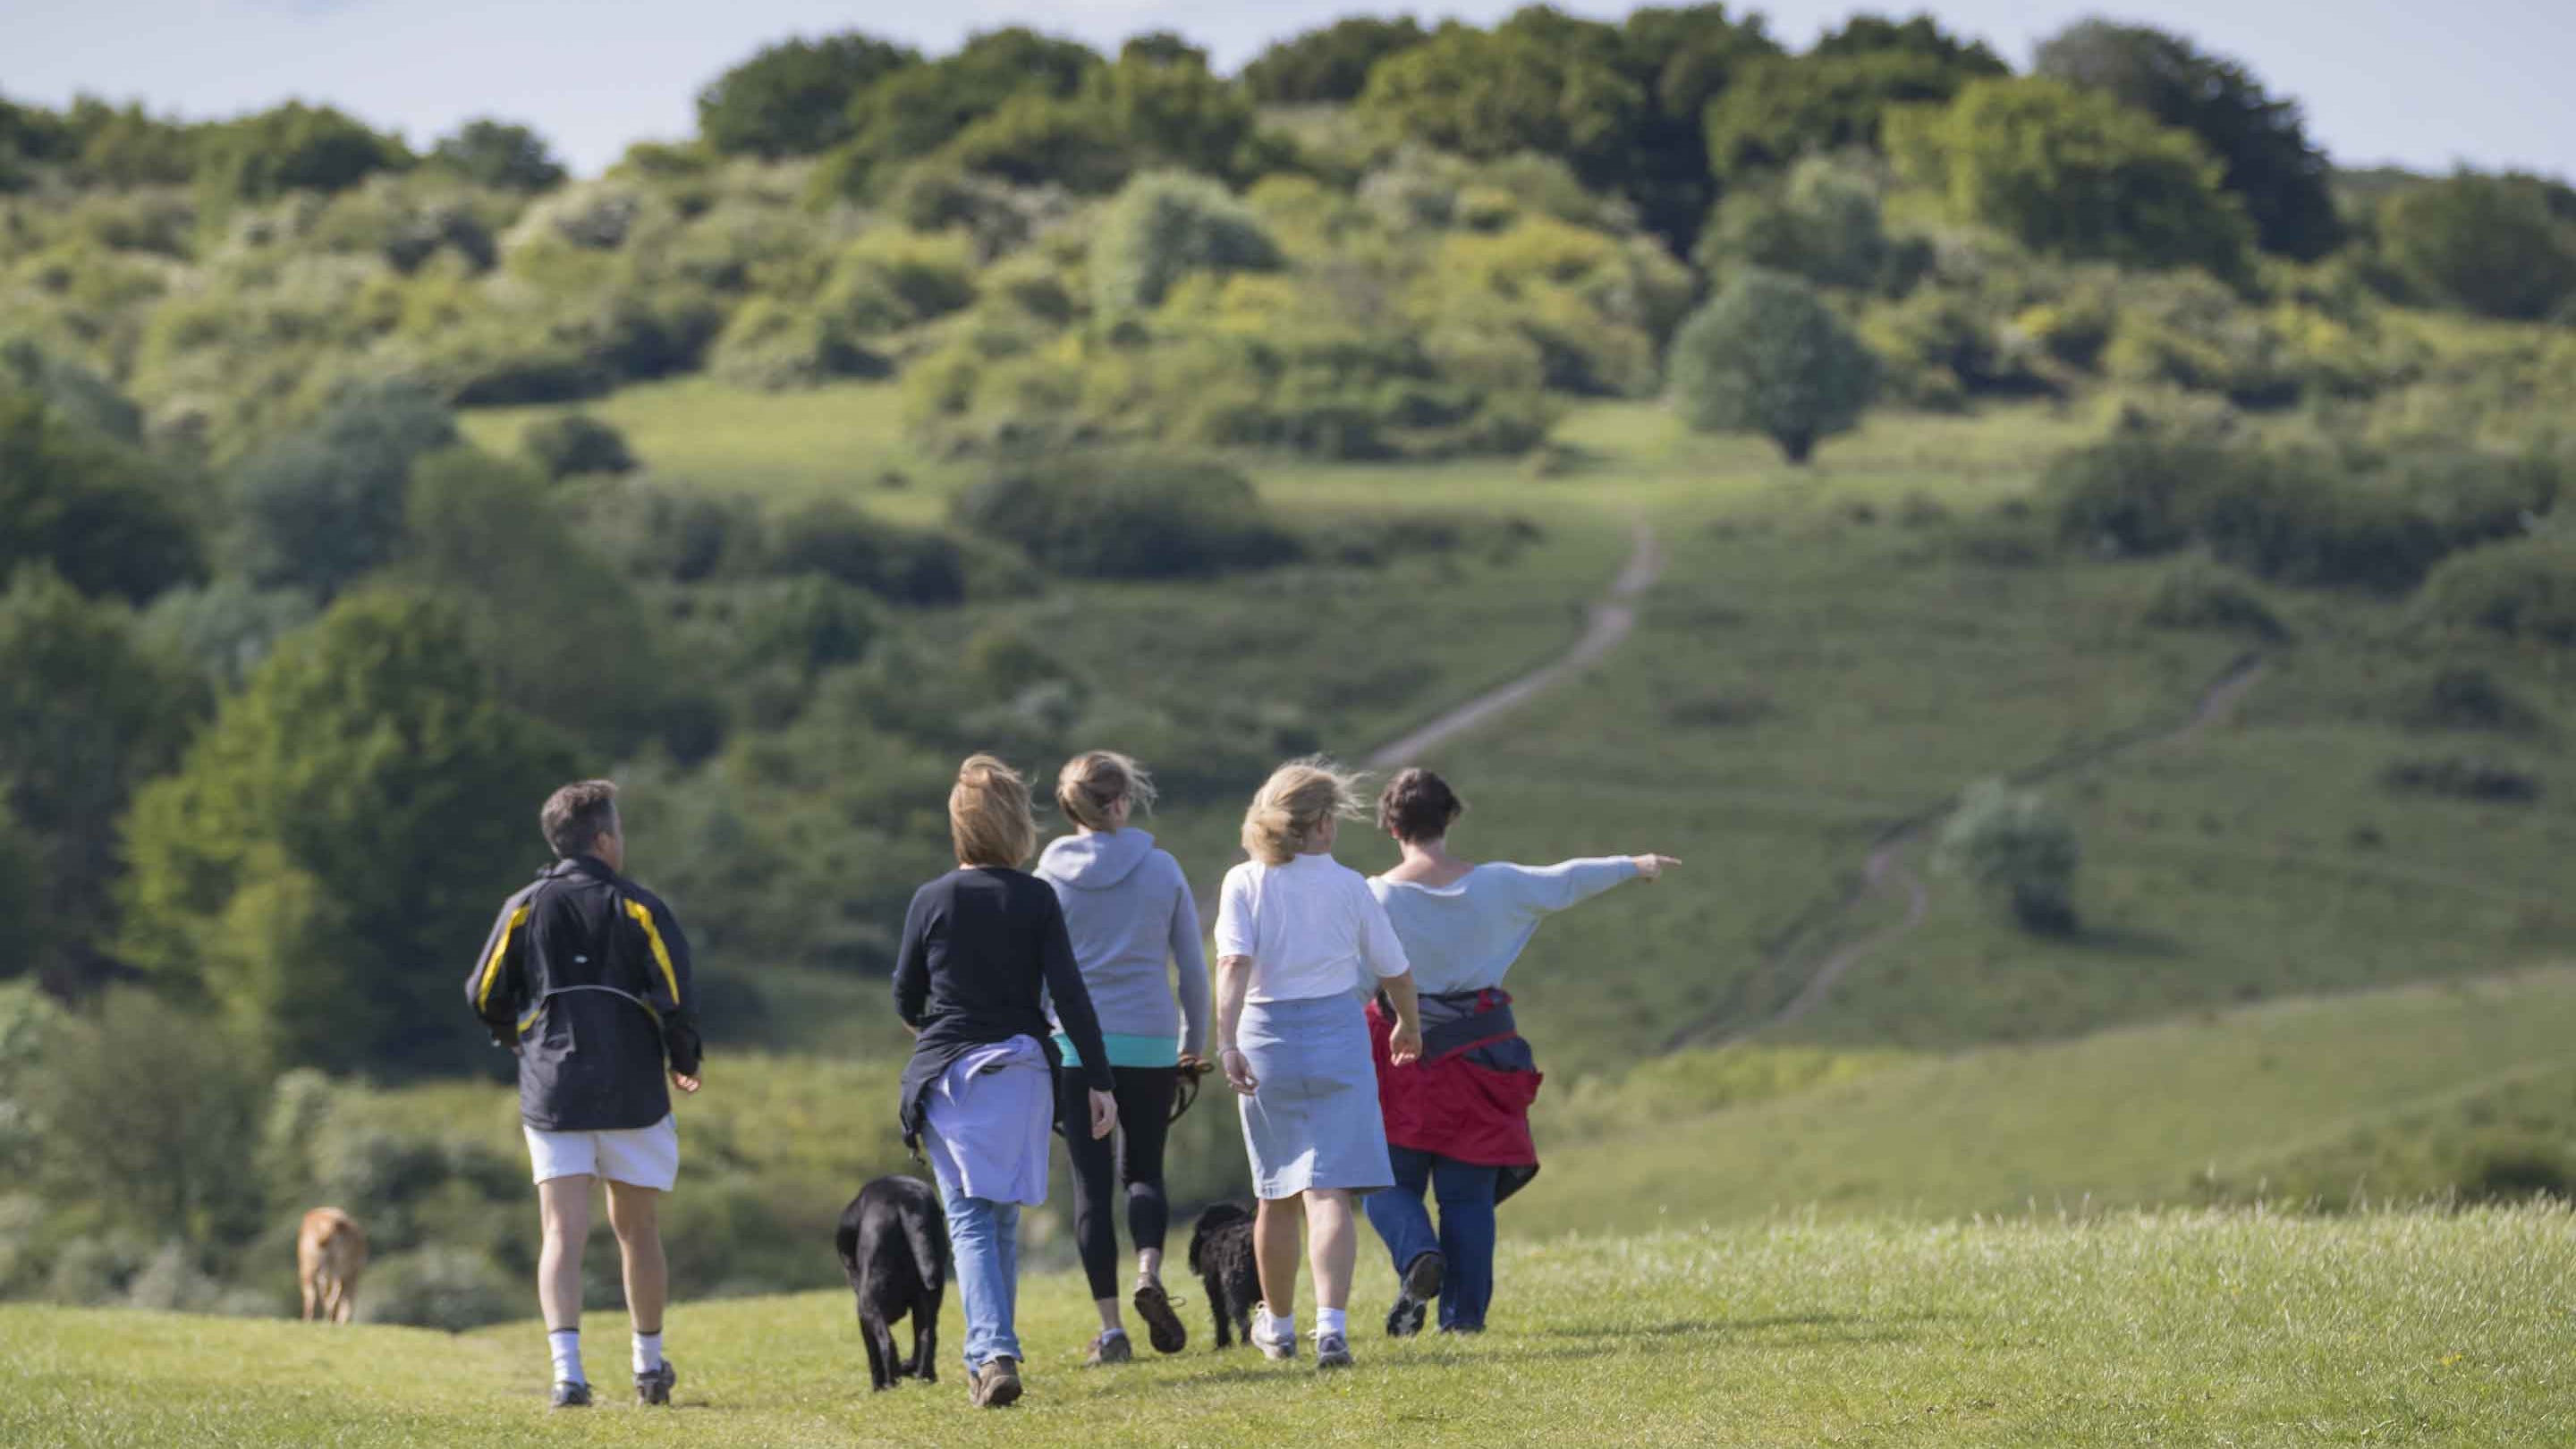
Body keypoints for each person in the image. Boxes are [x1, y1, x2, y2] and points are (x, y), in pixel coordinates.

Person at [1360, 767, 1678, 1336]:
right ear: (1450, 817)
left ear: (1390, 826)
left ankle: (1416, 1257)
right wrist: (1636, 865)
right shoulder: (1499, 885)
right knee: (1467, 1200)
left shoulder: (1374, 895)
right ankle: (1461, 1324)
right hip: (1483, 1053)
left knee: (1386, 1181)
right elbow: (1566, 879)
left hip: (1400, 1055)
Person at [465, 778, 703, 1411]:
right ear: (603, 840)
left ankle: (568, 1376)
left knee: (561, 1234)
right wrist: (684, 1059)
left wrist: (513, 1037)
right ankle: (649, 1370)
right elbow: (675, 994)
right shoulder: (641, 907)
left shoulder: (525, 904)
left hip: (553, 1090)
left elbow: (483, 992)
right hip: (631, 1089)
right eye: (618, 831)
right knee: (638, 1229)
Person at [894, 754, 1118, 1409]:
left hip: (953, 1072)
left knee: (967, 1217)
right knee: (997, 1222)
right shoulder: (1036, 897)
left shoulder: (931, 899)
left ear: (958, 826)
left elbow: (906, 996)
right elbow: (1070, 996)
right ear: (1019, 823)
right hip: (1022, 1069)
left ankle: (993, 1352)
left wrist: (935, 1026)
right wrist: (1099, 1079)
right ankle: (989, 1357)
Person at [1214, 758, 1424, 1371]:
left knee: (1275, 1192)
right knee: (1328, 1190)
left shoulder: (1242, 882)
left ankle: (1277, 1328)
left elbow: (1232, 966)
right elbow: (1396, 970)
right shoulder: (1350, 885)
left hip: (1265, 1034)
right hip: (1337, 1030)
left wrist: (1226, 1041)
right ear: (1322, 825)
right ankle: (1330, 1329)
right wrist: (1409, 1026)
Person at [1034, 750, 1210, 1366]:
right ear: (1119, 803)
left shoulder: (1048, 877)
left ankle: (1111, 1331)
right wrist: (1196, 1038)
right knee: (1143, 1171)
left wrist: (1043, 1037)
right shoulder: (1161, 869)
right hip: (1152, 1041)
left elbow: (1038, 974)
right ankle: (1149, 1271)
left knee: (1090, 1185)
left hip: (1077, 1047)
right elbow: (1191, 967)